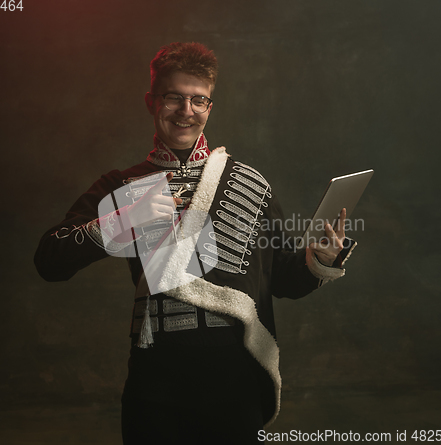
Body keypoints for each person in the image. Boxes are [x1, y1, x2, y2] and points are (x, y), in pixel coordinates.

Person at [34, 42, 356, 444]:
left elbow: (285, 281)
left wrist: (320, 260)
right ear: (152, 102)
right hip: (155, 381)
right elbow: (50, 260)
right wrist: (123, 220)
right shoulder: (122, 185)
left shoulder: (249, 183)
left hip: (234, 378)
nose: (186, 111)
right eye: (174, 98)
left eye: (198, 100)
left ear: (209, 107)